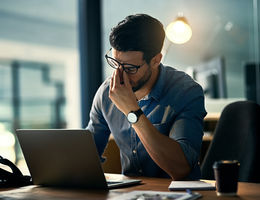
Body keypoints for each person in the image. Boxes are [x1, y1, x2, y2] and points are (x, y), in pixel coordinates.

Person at [87, 14, 207, 180]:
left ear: (156, 60)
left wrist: (132, 111)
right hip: (129, 193)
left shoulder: (186, 92)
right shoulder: (107, 92)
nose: (120, 75)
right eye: (115, 63)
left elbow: (181, 168)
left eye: (129, 68)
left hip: (177, 194)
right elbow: (87, 155)